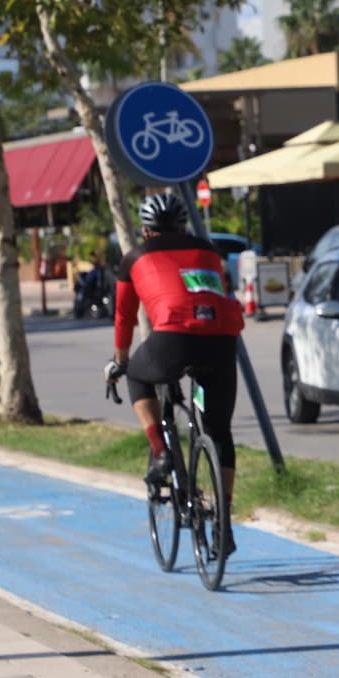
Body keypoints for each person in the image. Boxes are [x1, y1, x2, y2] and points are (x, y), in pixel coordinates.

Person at [104, 192, 244, 556]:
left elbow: (124, 316)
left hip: (172, 337)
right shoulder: (209, 250)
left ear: (146, 231)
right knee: (219, 432)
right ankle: (224, 522)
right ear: (183, 226)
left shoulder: (134, 257)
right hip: (221, 339)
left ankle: (160, 451)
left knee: (137, 375)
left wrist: (119, 360)